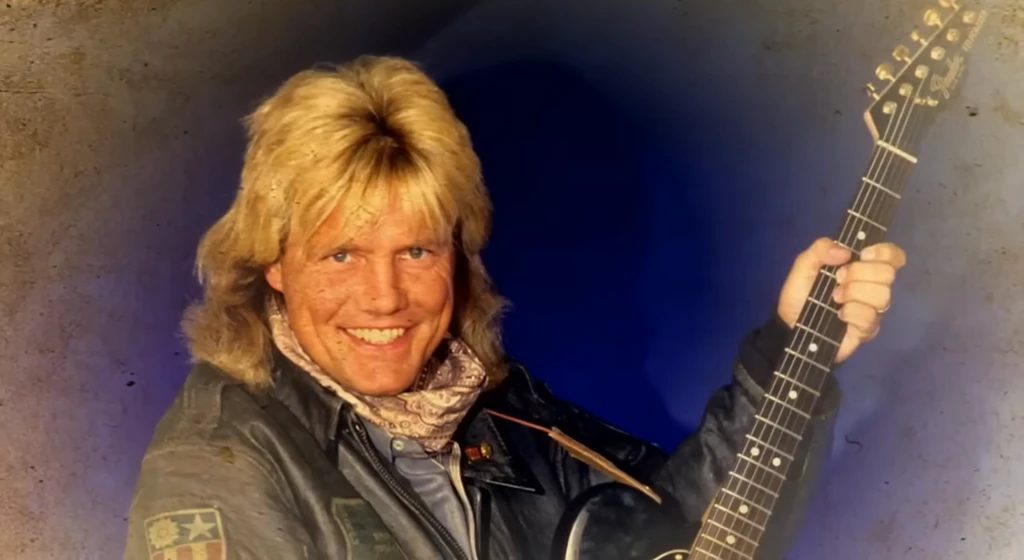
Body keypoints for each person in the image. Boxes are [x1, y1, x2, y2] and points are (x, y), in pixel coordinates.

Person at [124, 56, 906, 560]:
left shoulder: (495, 410)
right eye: (341, 255)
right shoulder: (216, 462)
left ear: (458, 257)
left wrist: (793, 348)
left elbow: (682, 529)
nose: (385, 297)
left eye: (416, 251)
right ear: (273, 262)